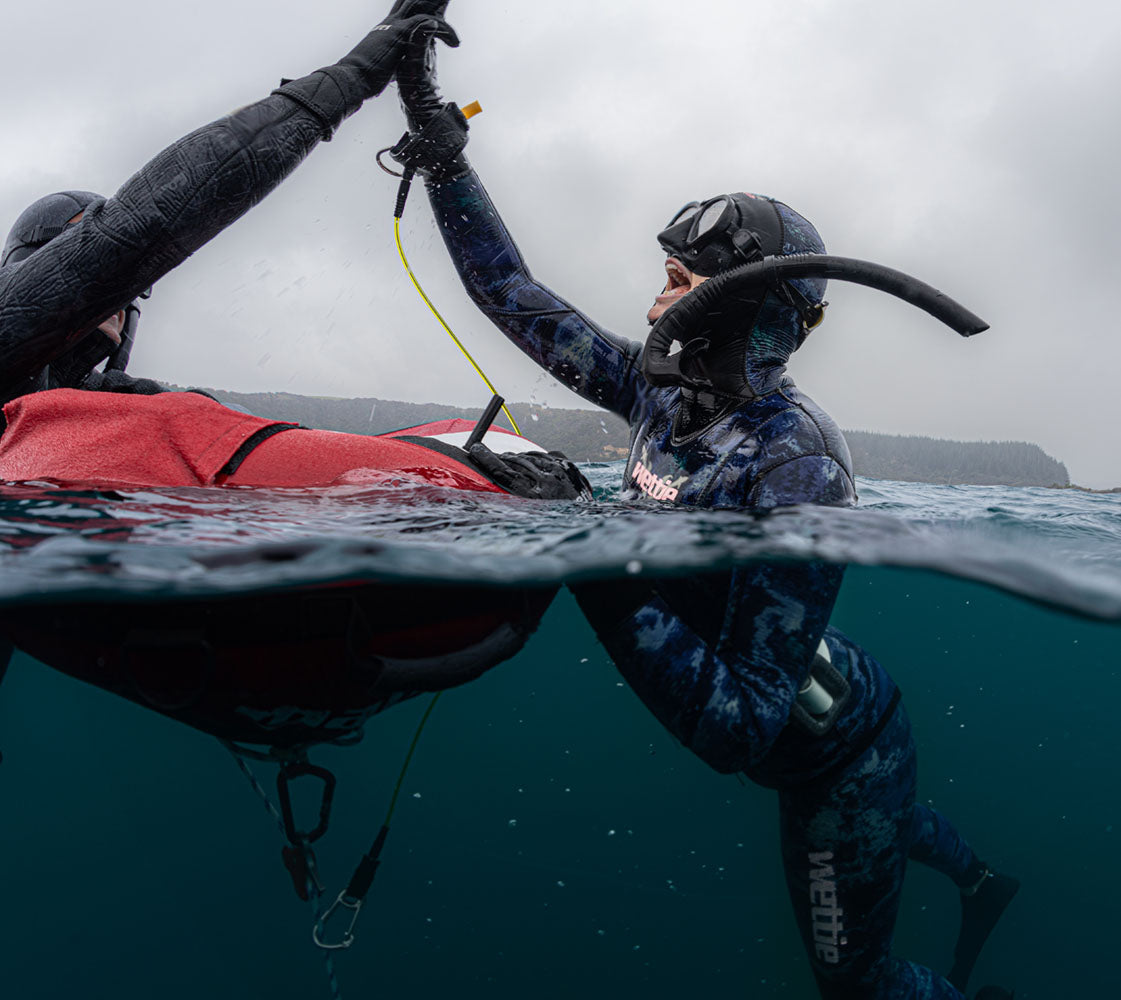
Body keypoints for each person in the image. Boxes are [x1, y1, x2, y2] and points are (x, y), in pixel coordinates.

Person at [389, 24, 1019, 1000]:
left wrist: (587, 549)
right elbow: (509, 291)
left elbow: (738, 730)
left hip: (838, 755)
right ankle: (980, 878)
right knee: (889, 837)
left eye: (675, 286)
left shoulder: (794, 465)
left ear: (735, 307)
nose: (650, 309)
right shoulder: (661, 396)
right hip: (836, 711)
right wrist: (440, 150)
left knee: (856, 983)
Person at [0, 2, 588, 500]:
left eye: (132, 291)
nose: (122, 296)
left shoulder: (129, 409)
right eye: (73, 250)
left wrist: (446, 468)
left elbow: (275, 447)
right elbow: (132, 234)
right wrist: (352, 78)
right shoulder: (45, 396)